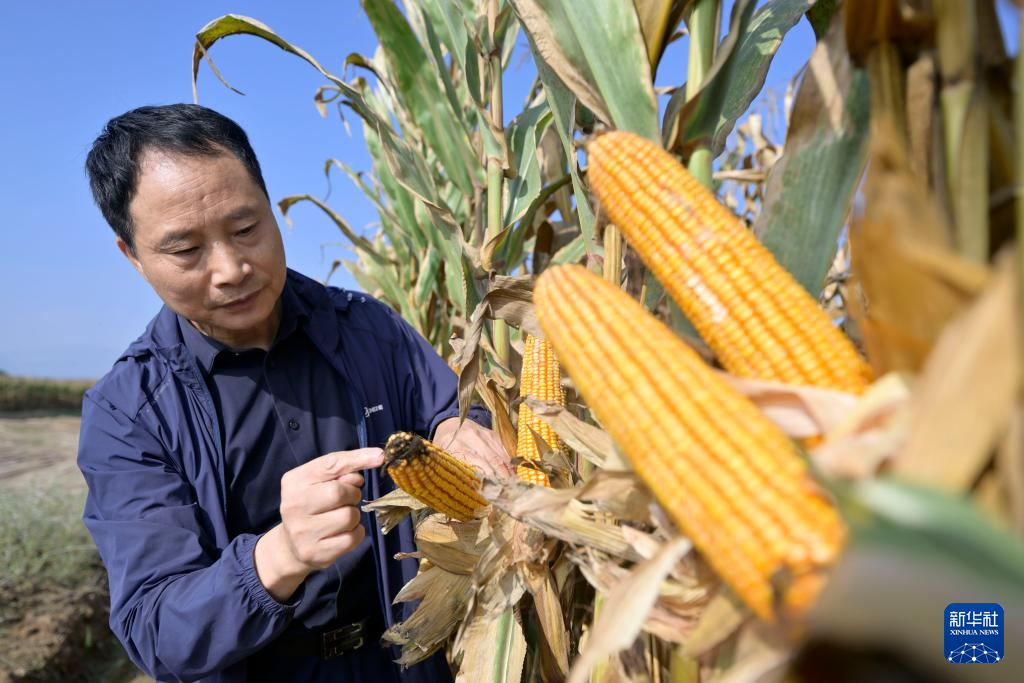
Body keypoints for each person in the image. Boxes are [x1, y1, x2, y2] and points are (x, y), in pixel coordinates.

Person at [78, 103, 512, 683]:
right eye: (186, 251)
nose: (231, 268)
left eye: (246, 229)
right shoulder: (128, 413)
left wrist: (459, 425)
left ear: (271, 206)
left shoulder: (370, 329)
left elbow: (450, 409)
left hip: (409, 662)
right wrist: (278, 556)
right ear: (132, 255)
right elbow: (157, 629)